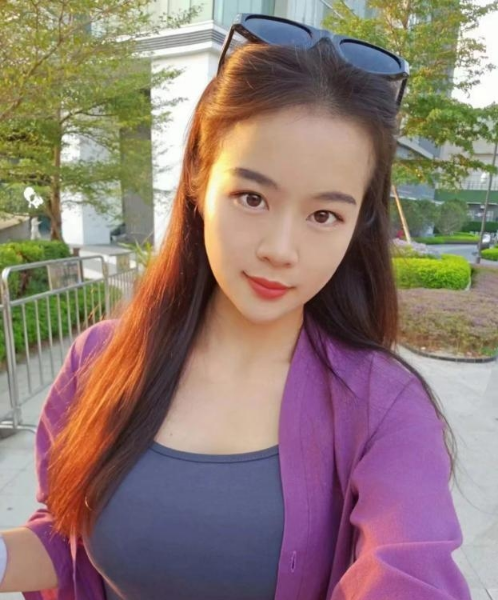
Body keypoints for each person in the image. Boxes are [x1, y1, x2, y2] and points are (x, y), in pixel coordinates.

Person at [0, 12, 471, 600]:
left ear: (358, 226)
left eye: (324, 214)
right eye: (252, 197)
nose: (280, 249)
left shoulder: (384, 407)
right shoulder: (98, 363)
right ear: (199, 180)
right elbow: (66, 538)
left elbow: (409, 570)